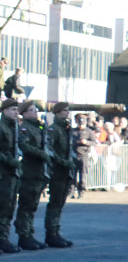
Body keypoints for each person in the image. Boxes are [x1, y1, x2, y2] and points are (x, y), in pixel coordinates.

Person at [13, 101, 49, 251]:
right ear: (25, 113)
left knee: (32, 206)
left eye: (36, 110)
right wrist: (41, 154)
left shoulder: (38, 126)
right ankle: (24, 236)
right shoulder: (25, 128)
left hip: (38, 172)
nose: (35, 113)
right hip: (29, 171)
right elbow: (24, 146)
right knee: (26, 205)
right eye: (32, 110)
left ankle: (29, 233)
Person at [0, 98, 22, 254]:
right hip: (3, 172)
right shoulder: (1, 127)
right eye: (12, 110)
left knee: (10, 206)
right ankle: (0, 239)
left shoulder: (14, 126)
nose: (16, 112)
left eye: (17, 110)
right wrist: (11, 161)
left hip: (12, 173)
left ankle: (5, 236)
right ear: (4, 111)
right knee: (3, 206)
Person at [44, 102, 75, 248]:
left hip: (65, 171)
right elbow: (50, 149)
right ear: (57, 113)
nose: (67, 113)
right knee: (55, 203)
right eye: (64, 111)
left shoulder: (66, 128)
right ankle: (51, 234)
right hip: (57, 170)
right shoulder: (54, 129)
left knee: (60, 204)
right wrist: (62, 162)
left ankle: (56, 231)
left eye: (68, 110)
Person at [72, 113, 95, 196]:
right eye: (79, 123)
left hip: (84, 155)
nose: (80, 125)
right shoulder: (73, 131)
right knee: (72, 174)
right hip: (74, 154)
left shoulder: (89, 131)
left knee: (83, 174)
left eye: (82, 124)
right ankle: (71, 190)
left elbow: (94, 142)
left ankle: (81, 191)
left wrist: (86, 142)